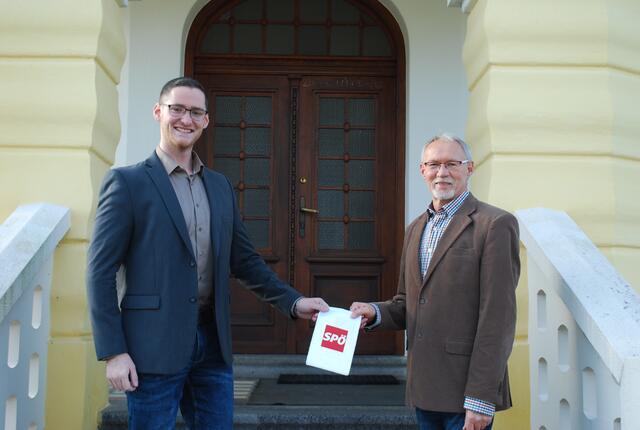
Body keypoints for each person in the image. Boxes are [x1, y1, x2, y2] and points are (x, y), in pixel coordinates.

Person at [87, 76, 329, 430]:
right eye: (177, 109)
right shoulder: (127, 183)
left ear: (205, 121)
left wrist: (293, 302)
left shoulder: (219, 185)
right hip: (150, 348)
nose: (185, 119)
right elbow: (99, 271)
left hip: (212, 345)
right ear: (159, 112)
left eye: (195, 112)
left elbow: (244, 261)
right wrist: (113, 351)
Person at [350, 134, 520, 430]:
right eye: (433, 164)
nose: (442, 172)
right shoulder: (416, 228)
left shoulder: (494, 224)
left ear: (469, 169)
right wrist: (375, 312)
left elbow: (498, 317)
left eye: (451, 163)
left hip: (467, 393)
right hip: (424, 389)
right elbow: (407, 302)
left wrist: (481, 397)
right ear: (422, 171)